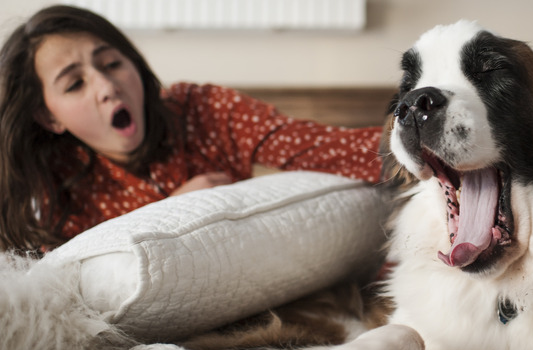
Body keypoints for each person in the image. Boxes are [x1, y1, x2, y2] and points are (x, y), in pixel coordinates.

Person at [0, 5, 385, 253]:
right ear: (48, 117)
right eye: (74, 84)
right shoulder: (47, 186)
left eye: (112, 64)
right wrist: (171, 212)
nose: (107, 87)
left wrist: (427, 145)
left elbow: (329, 148)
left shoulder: (202, 110)